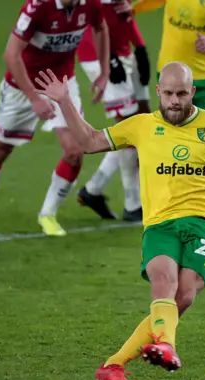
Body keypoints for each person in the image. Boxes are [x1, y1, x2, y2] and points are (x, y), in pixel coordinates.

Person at [35, 62, 205, 380]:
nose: (175, 101)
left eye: (181, 93)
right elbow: (90, 142)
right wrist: (65, 101)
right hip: (160, 225)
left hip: (203, 224)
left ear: (192, 92)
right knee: (163, 280)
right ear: (158, 93)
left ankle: (113, 366)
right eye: (168, 94)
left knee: (185, 295)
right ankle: (165, 345)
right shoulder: (141, 126)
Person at [0, 0, 109, 235]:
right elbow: (11, 54)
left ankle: (48, 214)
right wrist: (34, 98)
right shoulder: (37, 7)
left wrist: (104, 72)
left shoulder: (91, 4)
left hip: (61, 83)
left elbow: (101, 27)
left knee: (75, 151)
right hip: (22, 86)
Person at [75, 0, 151, 221]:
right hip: (98, 54)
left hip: (122, 49)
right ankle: (133, 204)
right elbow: (90, 14)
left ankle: (93, 190)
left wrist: (141, 47)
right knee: (130, 127)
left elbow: (124, 10)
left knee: (144, 120)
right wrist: (107, 58)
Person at [118, 0, 205, 113]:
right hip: (170, 72)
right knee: (171, 130)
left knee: (204, 132)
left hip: (204, 77)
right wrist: (135, 8)